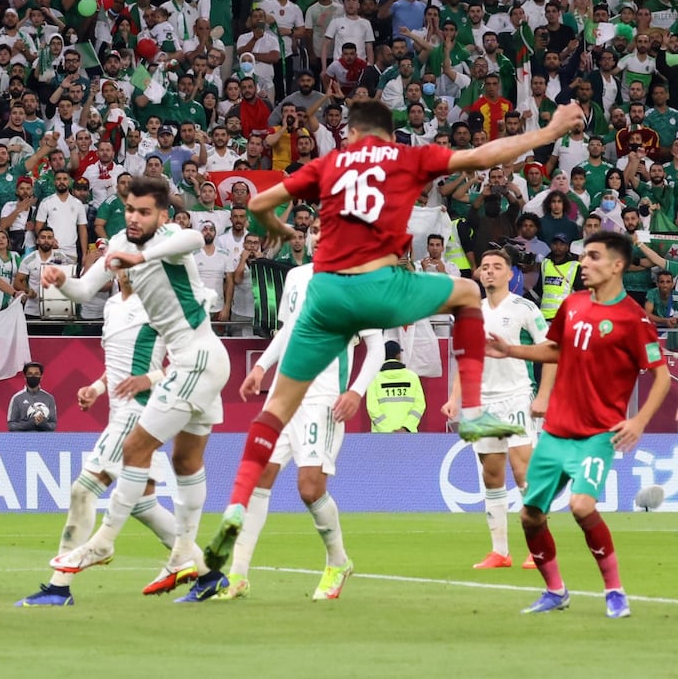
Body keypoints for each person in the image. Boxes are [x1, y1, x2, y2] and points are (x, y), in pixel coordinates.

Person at [207, 98, 585, 571]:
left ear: (351, 133)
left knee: (275, 409)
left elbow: (259, 203)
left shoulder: (329, 163)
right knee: (469, 292)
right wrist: (548, 131)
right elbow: (484, 156)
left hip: (324, 293)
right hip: (381, 286)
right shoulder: (406, 156)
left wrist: (279, 228)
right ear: (389, 133)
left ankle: (237, 507)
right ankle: (471, 412)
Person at [41, 176, 233, 603]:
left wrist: (139, 255)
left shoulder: (169, 238)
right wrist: (60, 281)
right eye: (130, 209)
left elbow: (192, 236)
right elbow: (84, 289)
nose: (134, 217)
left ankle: (105, 540)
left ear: (160, 215)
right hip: (199, 363)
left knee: (135, 448)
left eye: (144, 211)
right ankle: (187, 555)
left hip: (196, 356)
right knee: (185, 462)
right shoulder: (116, 245)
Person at [486, 231, 670, 618]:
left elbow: (661, 376)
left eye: (593, 257)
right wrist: (511, 349)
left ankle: (614, 590)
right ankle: (555, 590)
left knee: (581, 506)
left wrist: (637, 421)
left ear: (617, 265)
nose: (584, 263)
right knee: (529, 514)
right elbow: (554, 349)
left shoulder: (634, 318)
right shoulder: (572, 304)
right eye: (583, 256)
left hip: (597, 434)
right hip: (555, 432)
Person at [223, 223, 384, 601]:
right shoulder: (296, 276)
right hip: (282, 391)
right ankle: (237, 575)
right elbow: (288, 330)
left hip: (323, 396)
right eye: (314, 229)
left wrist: (356, 392)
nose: (319, 235)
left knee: (310, 488)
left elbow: (376, 348)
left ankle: (338, 561)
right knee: (260, 476)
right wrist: (262, 366)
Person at [17, 271, 187, 605]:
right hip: (119, 410)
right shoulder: (111, 306)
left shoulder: (162, 305)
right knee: (142, 503)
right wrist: (96, 387)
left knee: (83, 490)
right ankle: (208, 571)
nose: (127, 269)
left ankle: (59, 587)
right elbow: (120, 365)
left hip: (135, 413)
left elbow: (188, 363)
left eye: (134, 262)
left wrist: (146, 380)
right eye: (120, 262)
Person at [442, 249, 549, 569]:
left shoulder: (525, 308)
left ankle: (539, 548)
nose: (489, 271)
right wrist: (455, 397)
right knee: (491, 474)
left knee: (523, 472)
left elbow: (550, 350)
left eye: (496, 267)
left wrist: (543, 395)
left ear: (509, 274)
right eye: (485, 267)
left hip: (516, 396)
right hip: (482, 402)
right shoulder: (469, 312)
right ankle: (500, 551)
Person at [365, 341, 425, 433]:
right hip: (408, 435)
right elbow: (419, 406)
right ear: (398, 355)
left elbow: (372, 408)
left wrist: (387, 431)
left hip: (380, 437)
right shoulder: (412, 377)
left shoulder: (374, 378)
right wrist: (406, 428)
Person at [7, 362, 57, 431]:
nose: (33, 376)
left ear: (41, 377)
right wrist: (28, 424)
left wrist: (43, 424)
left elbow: (53, 425)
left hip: (44, 440)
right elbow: (11, 425)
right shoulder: (17, 398)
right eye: (30, 374)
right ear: (25, 377)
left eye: (36, 374)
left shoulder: (49, 398)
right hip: (22, 440)